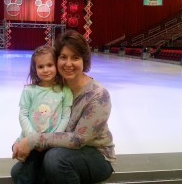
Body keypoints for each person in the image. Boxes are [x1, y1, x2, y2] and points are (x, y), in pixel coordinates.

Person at [11, 30, 116, 184]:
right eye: (63, 57)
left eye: (75, 58)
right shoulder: (56, 87)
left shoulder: (98, 95)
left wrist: (33, 140)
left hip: (95, 155)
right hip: (58, 148)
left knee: (55, 159)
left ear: (84, 60)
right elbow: (38, 118)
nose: (68, 64)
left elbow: (78, 140)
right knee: (19, 172)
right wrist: (22, 140)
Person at [12, 45, 73, 184]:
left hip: (52, 142)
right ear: (35, 69)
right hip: (30, 140)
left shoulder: (65, 91)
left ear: (56, 65)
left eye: (50, 65)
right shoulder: (29, 91)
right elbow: (23, 115)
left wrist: (53, 138)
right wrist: (33, 138)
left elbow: (65, 117)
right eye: (40, 67)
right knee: (28, 172)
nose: (45, 70)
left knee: (44, 172)